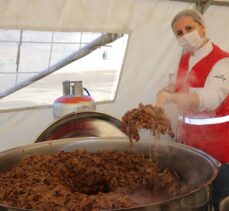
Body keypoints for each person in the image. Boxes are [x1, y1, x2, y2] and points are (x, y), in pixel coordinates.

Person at [156, 9, 229, 211]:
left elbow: (211, 99)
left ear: (202, 27)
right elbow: (183, 84)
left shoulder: (223, 61)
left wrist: (171, 97)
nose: (185, 35)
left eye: (189, 28)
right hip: (192, 149)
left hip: (220, 152)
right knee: (197, 201)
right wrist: (170, 88)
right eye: (179, 33)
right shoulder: (186, 58)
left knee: (222, 202)